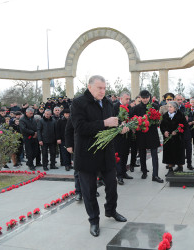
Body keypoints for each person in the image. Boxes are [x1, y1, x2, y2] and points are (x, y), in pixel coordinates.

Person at [70, 75, 127, 237]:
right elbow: (79, 128)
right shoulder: (79, 103)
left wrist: (119, 128)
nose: (103, 91)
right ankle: (94, 220)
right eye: (99, 88)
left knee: (112, 186)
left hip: (106, 153)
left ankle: (111, 210)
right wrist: (104, 123)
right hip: (87, 154)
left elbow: (111, 126)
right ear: (89, 87)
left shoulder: (108, 103)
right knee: (89, 190)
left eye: (104, 88)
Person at [131, 90, 164, 183]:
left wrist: (155, 120)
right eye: (143, 98)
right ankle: (144, 171)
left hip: (152, 133)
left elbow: (158, 120)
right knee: (142, 154)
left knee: (154, 154)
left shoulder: (155, 106)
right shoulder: (136, 108)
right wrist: (137, 124)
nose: (145, 100)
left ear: (149, 97)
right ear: (140, 97)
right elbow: (132, 120)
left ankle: (155, 175)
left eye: (146, 98)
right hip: (141, 134)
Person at [160, 101, 188, 175]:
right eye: (168, 107)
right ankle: (170, 169)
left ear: (175, 108)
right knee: (169, 153)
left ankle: (180, 167)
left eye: (170, 107)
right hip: (168, 138)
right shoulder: (165, 115)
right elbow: (162, 126)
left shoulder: (181, 115)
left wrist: (177, 132)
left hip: (178, 139)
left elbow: (184, 126)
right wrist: (164, 132)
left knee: (178, 153)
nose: (169, 108)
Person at [113, 91, 134, 185]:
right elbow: (112, 120)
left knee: (125, 154)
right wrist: (119, 126)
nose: (128, 101)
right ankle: (119, 175)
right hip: (118, 136)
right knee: (119, 156)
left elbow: (131, 118)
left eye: (129, 99)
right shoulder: (115, 107)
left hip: (127, 135)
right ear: (121, 98)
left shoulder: (129, 107)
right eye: (127, 99)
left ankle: (124, 172)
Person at [175, 94, 194, 171]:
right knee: (179, 150)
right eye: (178, 100)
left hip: (186, 132)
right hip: (177, 133)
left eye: (181, 100)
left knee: (188, 149)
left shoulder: (186, 108)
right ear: (175, 100)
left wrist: (188, 119)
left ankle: (189, 164)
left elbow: (191, 117)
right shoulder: (172, 108)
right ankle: (180, 166)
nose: (180, 101)